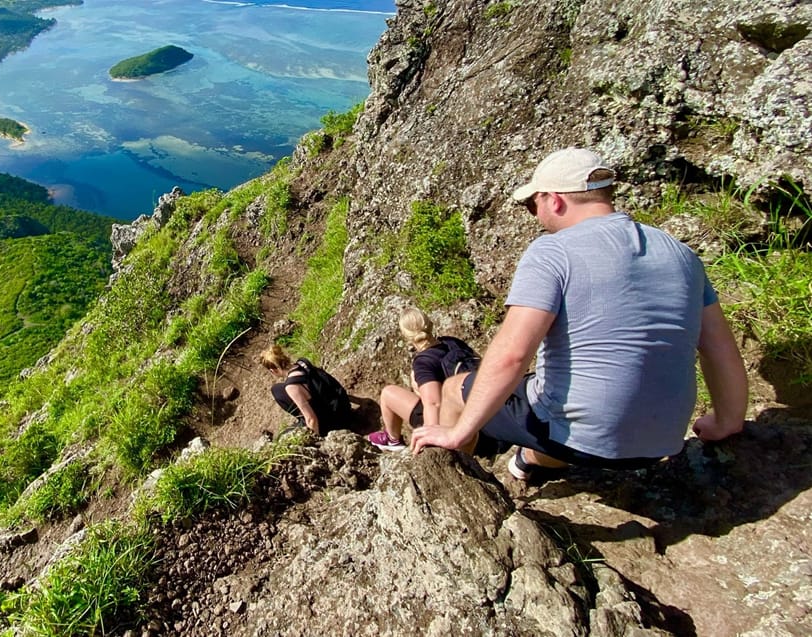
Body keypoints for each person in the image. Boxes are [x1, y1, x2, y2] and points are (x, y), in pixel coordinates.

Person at [410, 147, 748, 480]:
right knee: (550, 400)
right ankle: (531, 460)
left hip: (584, 438)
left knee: (456, 389)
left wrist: (457, 433)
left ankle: (467, 493)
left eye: (533, 204)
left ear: (554, 200)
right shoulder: (681, 255)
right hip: (662, 441)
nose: (535, 213)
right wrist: (727, 420)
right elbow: (719, 347)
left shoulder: (553, 252)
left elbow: (512, 355)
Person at [367, 308, 479, 451]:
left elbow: (434, 403)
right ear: (430, 324)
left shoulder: (424, 362)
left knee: (388, 393)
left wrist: (432, 443)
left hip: (454, 424)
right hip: (480, 411)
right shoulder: (453, 342)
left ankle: (392, 440)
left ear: (406, 336)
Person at [259, 344, 352, 435]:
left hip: (335, 422)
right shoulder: (303, 364)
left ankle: (304, 421)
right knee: (277, 389)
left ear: (273, 370)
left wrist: (315, 441)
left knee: (282, 436)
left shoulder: (292, 386)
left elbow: (311, 419)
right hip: (343, 406)